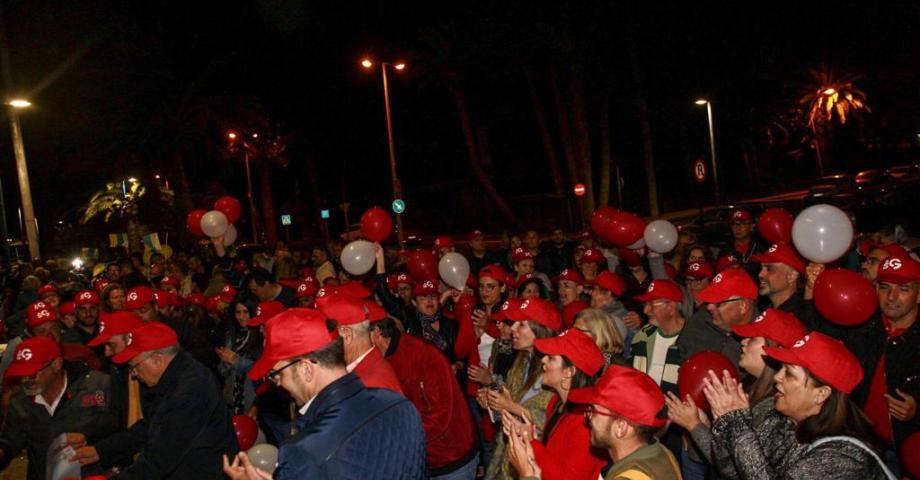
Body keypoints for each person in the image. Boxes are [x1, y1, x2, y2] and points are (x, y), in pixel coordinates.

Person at [223, 308, 427, 479]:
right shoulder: (400, 404)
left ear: (306, 369)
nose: (279, 384)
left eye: (277, 375)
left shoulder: (303, 453)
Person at [707, 332, 894, 479]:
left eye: (788, 373)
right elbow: (731, 470)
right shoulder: (782, 422)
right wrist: (724, 426)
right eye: (780, 368)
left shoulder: (845, 455)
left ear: (821, 394)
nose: (777, 377)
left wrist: (738, 426)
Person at [72, 322, 234, 479]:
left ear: (157, 359)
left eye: (134, 366)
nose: (133, 374)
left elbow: (161, 456)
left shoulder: (190, 388)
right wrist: (100, 450)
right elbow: (150, 427)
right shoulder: (174, 376)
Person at [668, 308, 808, 479]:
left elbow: (737, 468)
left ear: (775, 348)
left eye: (753, 339)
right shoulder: (748, 385)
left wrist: (695, 426)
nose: (743, 342)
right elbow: (725, 452)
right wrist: (703, 425)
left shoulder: (777, 406)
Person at [373, 317, 479, 479]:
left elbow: (438, 418)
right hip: (421, 460)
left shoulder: (423, 355)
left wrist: (390, 440)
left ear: (376, 333)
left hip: (449, 459)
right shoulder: (379, 359)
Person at [0, 336, 117, 480]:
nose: (26, 380)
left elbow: (122, 430)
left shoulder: (98, 386)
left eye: (32, 374)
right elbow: (12, 440)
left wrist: (115, 470)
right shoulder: (20, 399)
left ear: (56, 364)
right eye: (21, 375)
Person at [540, 364, 680, 479]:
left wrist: (529, 474)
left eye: (593, 411)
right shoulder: (660, 452)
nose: (587, 417)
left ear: (621, 427)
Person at [505, 328, 607, 480]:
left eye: (551, 358)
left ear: (569, 372)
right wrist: (531, 435)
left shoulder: (586, 421)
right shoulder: (556, 403)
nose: (543, 360)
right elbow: (554, 455)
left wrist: (532, 443)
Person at [483, 298, 559, 480]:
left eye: (522, 324)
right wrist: (494, 403)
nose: (513, 329)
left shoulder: (555, 372)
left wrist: (511, 407)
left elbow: (552, 426)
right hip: (512, 453)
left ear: (540, 330)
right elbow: (508, 408)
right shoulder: (522, 360)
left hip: (536, 463)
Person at [315, 292, 403, 393]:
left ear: (346, 334)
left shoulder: (368, 386)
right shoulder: (364, 372)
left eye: (325, 333)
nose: (319, 342)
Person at [87, 311, 146, 429]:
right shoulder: (117, 369)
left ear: (131, 338)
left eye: (111, 345)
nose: (106, 352)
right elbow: (116, 417)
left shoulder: (153, 373)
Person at [630, 280, 685, 395]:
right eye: (645, 305)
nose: (646, 311)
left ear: (671, 307)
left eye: (651, 305)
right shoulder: (643, 336)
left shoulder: (692, 339)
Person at [750, 243, 818, 329]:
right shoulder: (766, 311)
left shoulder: (802, 318)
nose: (760, 274)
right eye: (761, 268)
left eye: (769, 269)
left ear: (791, 276)